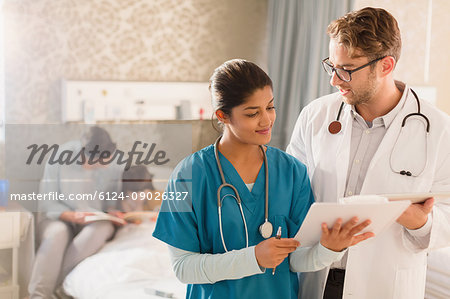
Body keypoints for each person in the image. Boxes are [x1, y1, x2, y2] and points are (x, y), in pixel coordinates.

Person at [152, 59, 373, 299]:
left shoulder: (292, 172)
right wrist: (254, 258)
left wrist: (330, 249)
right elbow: (183, 268)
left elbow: (296, 260)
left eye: (270, 107)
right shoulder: (188, 176)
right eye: (252, 113)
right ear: (223, 115)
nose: (266, 120)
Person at [287, 7, 450, 299]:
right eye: (332, 66)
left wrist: (417, 219)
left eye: (347, 69)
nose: (334, 80)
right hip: (316, 276)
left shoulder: (439, 130)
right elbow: (290, 191)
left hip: (384, 284)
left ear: (385, 66)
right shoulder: (315, 115)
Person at [28, 126, 124, 299]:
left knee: (102, 228)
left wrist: (113, 213)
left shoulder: (113, 165)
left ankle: (58, 288)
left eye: (105, 162)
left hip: (93, 220)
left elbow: (111, 202)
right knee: (57, 234)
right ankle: (38, 295)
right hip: (58, 218)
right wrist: (71, 216)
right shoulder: (59, 157)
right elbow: (47, 203)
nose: (102, 166)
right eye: (96, 163)